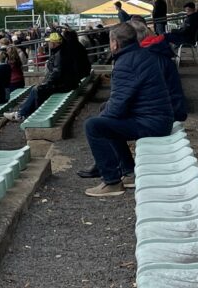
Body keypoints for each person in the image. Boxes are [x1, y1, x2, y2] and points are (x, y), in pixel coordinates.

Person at [83, 22, 174, 197]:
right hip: (159, 117)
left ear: (115, 43)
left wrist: (103, 119)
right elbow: (120, 102)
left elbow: (117, 107)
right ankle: (129, 171)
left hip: (153, 123)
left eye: (110, 42)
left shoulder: (125, 63)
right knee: (104, 116)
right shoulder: (142, 54)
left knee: (93, 126)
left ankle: (112, 181)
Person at [14, 32, 74, 121]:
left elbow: (56, 73)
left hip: (63, 85)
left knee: (36, 89)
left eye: (50, 42)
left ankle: (21, 114)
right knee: (36, 88)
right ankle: (21, 111)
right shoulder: (61, 51)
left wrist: (46, 83)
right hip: (64, 83)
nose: (48, 43)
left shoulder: (59, 54)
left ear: (55, 43)